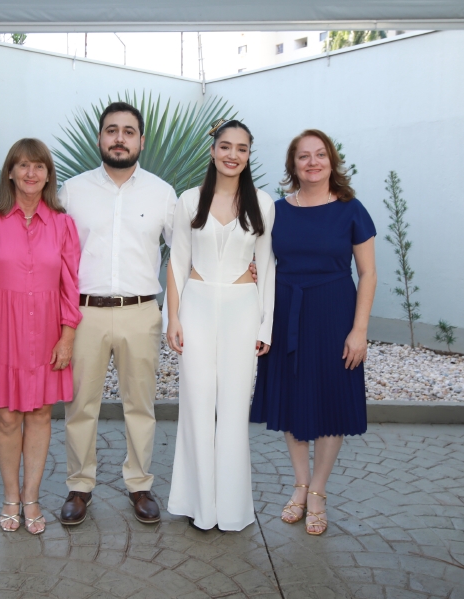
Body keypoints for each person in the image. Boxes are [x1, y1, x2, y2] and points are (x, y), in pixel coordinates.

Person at [250, 129, 377, 536]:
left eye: (319, 155)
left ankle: (319, 490)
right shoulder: (276, 211)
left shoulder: (351, 210)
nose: (312, 162)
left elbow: (369, 273)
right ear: (293, 165)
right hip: (288, 312)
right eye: (303, 156)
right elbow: (262, 261)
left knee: (331, 402)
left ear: (331, 161)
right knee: (292, 401)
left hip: (334, 314)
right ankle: (300, 485)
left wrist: (359, 330)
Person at [57, 102, 177, 525]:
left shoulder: (162, 193)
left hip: (140, 312)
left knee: (140, 405)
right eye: (112, 130)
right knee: (80, 405)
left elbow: (182, 254)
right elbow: (54, 255)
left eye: (129, 131)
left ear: (141, 140)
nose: (119, 138)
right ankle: (79, 485)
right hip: (84, 313)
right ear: (100, 139)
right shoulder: (71, 191)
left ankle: (140, 484)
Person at [0, 138, 82, 535]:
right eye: (23, 165)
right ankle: (10, 496)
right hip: (1, 331)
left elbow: (70, 283)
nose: (31, 173)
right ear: (10, 172)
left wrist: (67, 336)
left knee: (42, 413)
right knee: (8, 415)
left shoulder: (62, 223)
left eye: (39, 166)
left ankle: (32, 498)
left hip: (47, 331)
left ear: (48, 175)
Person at [166, 120, 275, 531]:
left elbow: (266, 266)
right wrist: (172, 318)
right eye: (225, 146)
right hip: (194, 305)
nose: (233, 155)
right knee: (196, 403)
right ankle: (199, 506)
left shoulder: (263, 204)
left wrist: (265, 326)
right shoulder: (189, 200)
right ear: (213, 151)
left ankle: (230, 510)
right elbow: (176, 262)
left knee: (232, 408)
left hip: (243, 310)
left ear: (249, 156)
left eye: (242, 149)